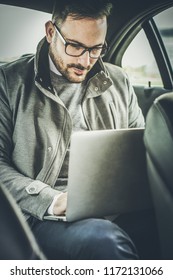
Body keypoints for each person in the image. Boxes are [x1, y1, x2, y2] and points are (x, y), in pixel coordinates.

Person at [0, 0, 145, 259]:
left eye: (96, 49)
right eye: (75, 46)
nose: (85, 60)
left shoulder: (119, 81)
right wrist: (53, 201)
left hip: (116, 208)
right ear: (50, 32)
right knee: (103, 241)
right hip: (39, 216)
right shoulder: (8, 83)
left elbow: (142, 151)